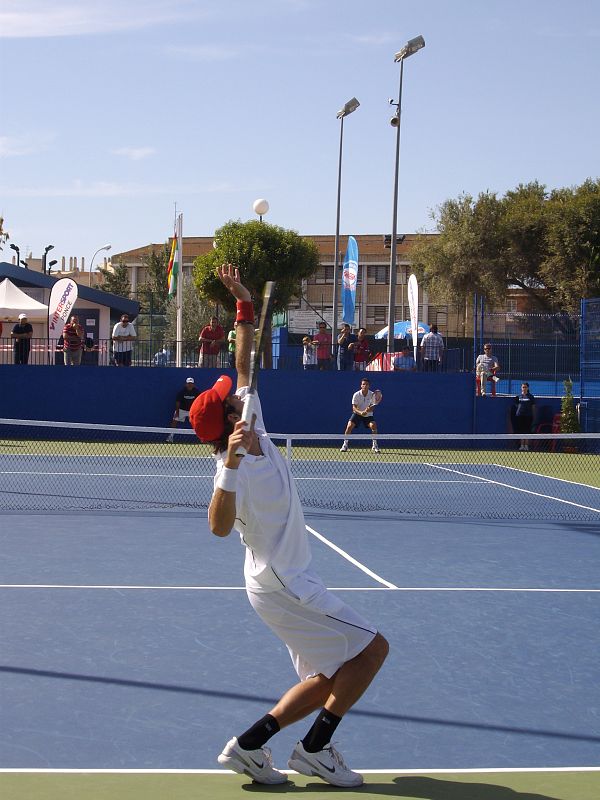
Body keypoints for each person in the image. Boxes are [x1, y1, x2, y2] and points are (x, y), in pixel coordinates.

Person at [189, 265, 388, 788]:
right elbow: (216, 527)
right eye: (231, 398)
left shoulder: (251, 421)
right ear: (229, 421)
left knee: (328, 675)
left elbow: (245, 359)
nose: (238, 393)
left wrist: (244, 303)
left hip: (282, 578)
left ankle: (249, 747)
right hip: (282, 582)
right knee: (372, 650)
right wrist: (229, 466)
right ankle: (316, 750)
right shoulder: (231, 467)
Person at [340, 378, 381, 453]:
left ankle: (375, 445)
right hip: (357, 414)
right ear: (361, 385)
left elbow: (372, 408)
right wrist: (361, 412)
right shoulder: (356, 394)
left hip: (368, 415)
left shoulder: (372, 394)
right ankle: (345, 444)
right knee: (349, 426)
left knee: (373, 426)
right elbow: (354, 408)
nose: (365, 386)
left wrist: (367, 411)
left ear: (369, 386)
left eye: (366, 384)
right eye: (363, 384)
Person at [166, 377, 200, 442]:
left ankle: (201, 438)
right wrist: (177, 412)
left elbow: (199, 402)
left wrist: (197, 411)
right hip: (182, 410)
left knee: (199, 422)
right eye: (188, 383)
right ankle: (171, 436)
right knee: (175, 419)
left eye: (191, 383)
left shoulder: (197, 392)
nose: (190, 385)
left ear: (193, 384)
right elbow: (178, 402)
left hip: (192, 411)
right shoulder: (181, 392)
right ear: (186, 384)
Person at [512, 382, 536, 451]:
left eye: (525, 387)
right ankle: (522, 445)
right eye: (523, 387)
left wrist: (533, 416)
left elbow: (533, 407)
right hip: (520, 416)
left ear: (528, 388)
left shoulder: (531, 397)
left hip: (528, 416)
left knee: (527, 431)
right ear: (521, 388)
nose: (524, 388)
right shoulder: (518, 397)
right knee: (521, 431)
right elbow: (516, 406)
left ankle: (526, 446)